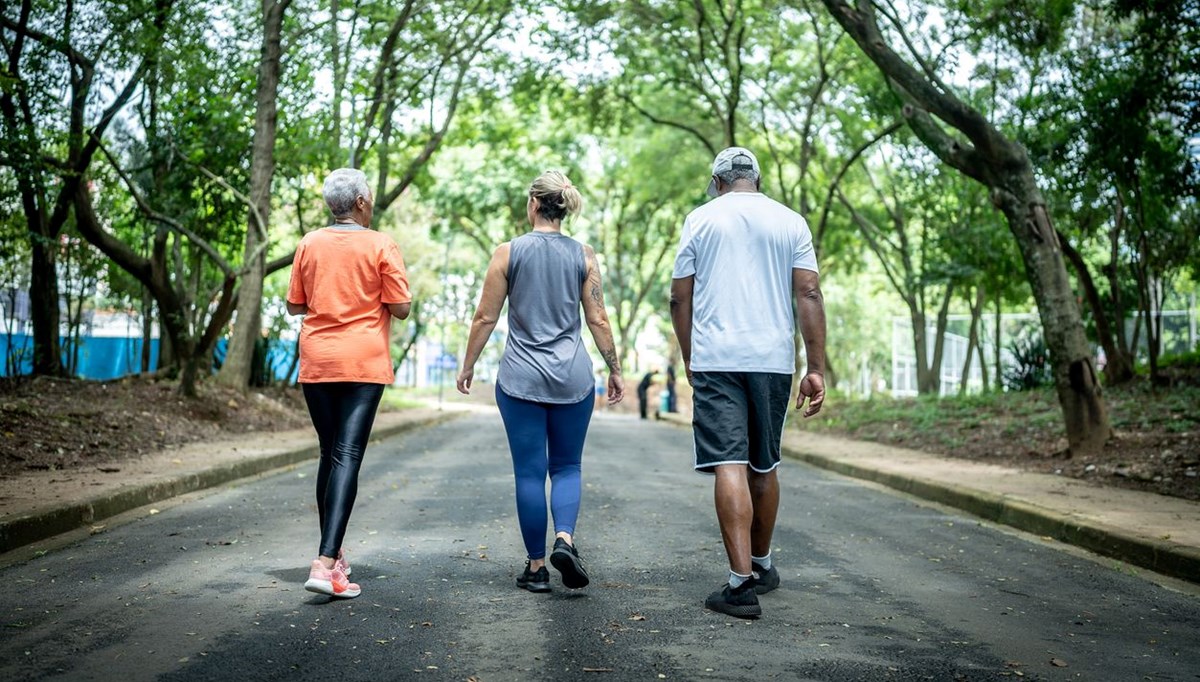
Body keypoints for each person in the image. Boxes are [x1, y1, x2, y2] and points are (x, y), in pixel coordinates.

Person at [669, 147, 826, 619]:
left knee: (728, 462)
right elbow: (809, 291)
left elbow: (680, 297)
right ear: (756, 179)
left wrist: (690, 356)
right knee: (764, 462)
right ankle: (762, 565)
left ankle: (740, 586)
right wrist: (814, 366)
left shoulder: (700, 219)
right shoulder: (791, 221)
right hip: (773, 360)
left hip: (718, 358)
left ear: (717, 182)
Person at [457, 170, 625, 593]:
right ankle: (564, 539)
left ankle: (536, 568)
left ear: (533, 204)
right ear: (563, 208)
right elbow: (598, 318)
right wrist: (615, 368)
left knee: (529, 474)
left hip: (520, 380)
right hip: (573, 379)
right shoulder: (584, 255)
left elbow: (485, 317)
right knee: (567, 466)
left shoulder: (507, 253)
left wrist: (468, 365)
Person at [286, 168, 412, 600]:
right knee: (347, 454)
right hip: (361, 362)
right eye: (370, 196)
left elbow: (294, 305)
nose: (373, 201)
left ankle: (334, 553)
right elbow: (401, 308)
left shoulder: (308, 243)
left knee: (330, 452)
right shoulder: (380, 243)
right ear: (359, 202)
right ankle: (324, 563)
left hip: (318, 360)